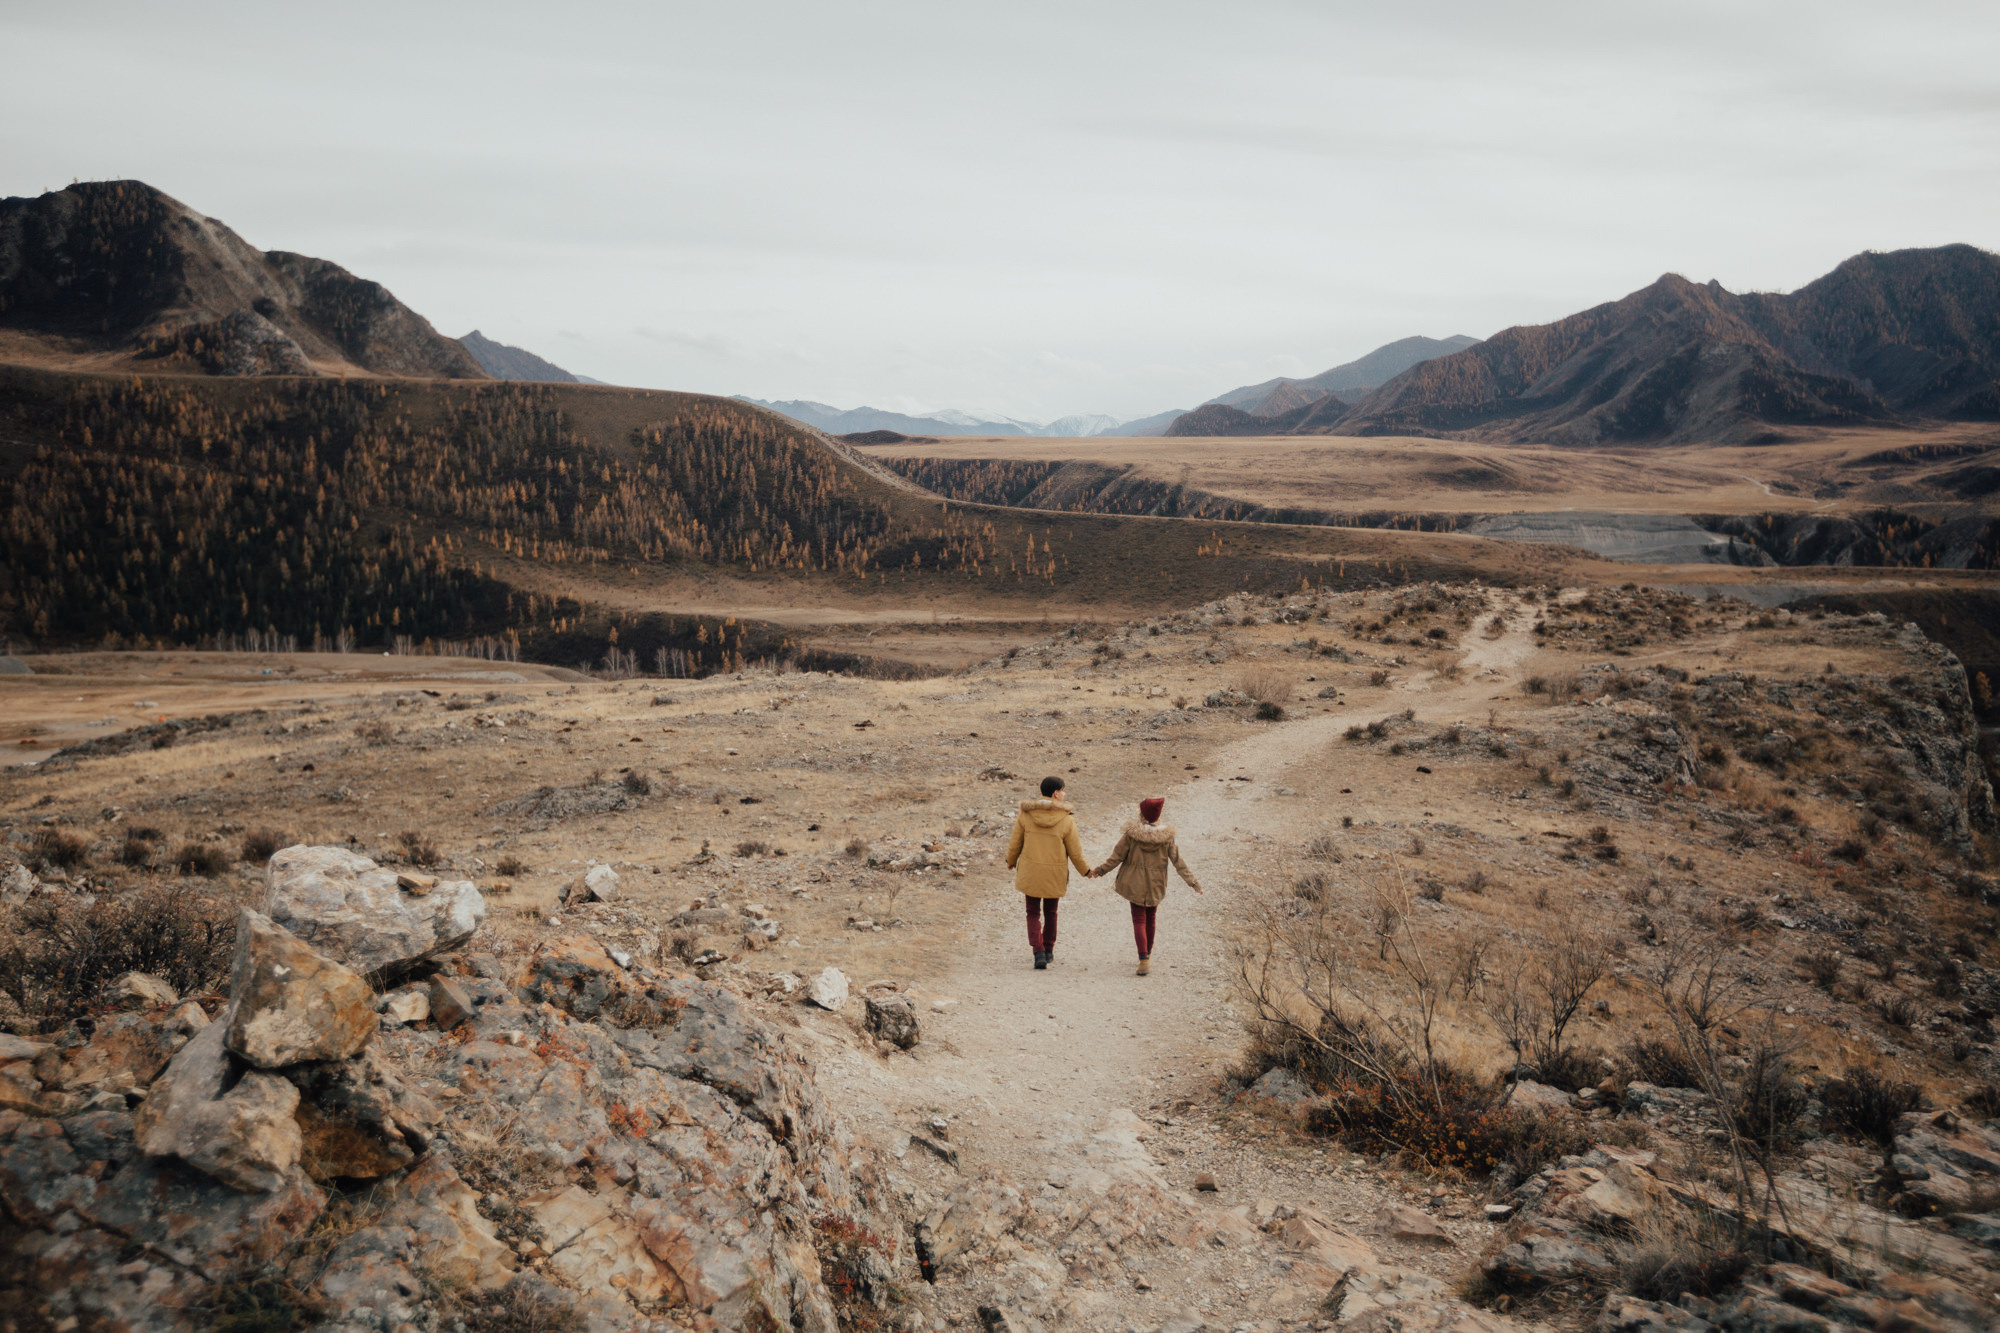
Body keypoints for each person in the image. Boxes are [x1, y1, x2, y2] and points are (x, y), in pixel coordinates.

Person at [1092, 796, 1202, 975]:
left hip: (1134, 882)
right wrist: (1194, 883)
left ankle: (1143, 958)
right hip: (1156, 884)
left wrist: (1100, 870)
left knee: (1138, 919)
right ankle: (1147, 955)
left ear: (1142, 814)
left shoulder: (1132, 834)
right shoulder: (1166, 837)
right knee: (1151, 918)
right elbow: (1177, 861)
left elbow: (1117, 856)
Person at [1005, 775, 1093, 970]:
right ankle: (1049, 949)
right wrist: (1085, 871)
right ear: (1055, 793)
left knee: (1032, 913)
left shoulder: (1026, 814)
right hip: (1055, 872)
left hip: (1031, 871)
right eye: (1063, 790)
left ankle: (1038, 952)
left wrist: (1011, 861)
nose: (1064, 794)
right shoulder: (1066, 820)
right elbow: (1075, 851)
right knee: (1051, 912)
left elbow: (1015, 842)